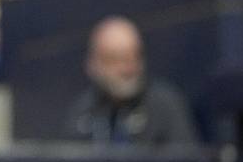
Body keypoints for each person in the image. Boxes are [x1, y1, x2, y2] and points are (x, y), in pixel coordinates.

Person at [64, 16, 198, 146]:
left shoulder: (165, 105)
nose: (126, 69)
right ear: (93, 64)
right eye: (114, 59)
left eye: (133, 57)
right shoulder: (83, 111)